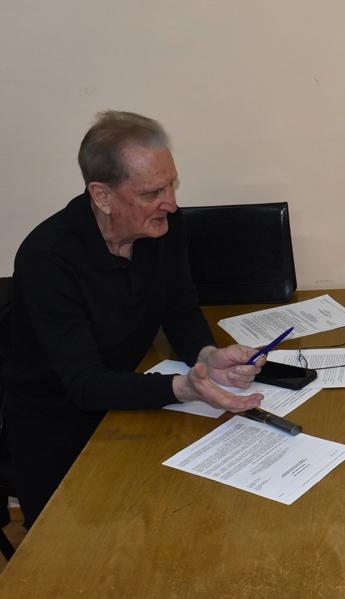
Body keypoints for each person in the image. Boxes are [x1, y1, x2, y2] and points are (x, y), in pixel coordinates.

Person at [1, 111, 265, 529]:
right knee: (90, 549)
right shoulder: (48, 259)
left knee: (186, 518)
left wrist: (205, 355)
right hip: (58, 426)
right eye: (152, 192)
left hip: (130, 398)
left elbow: (178, 306)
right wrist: (182, 388)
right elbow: (84, 384)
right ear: (101, 196)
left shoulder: (163, 227)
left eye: (171, 184)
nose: (171, 203)